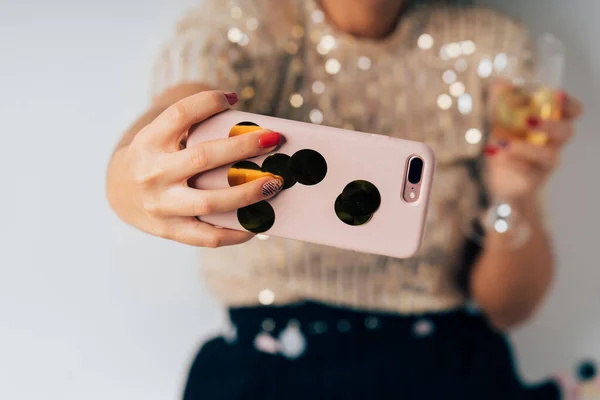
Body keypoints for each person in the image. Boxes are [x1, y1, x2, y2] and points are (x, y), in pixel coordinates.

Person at [106, 0, 584, 398]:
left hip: (445, 365)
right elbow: (173, 116)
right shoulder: (243, 24)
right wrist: (130, 177)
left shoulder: (492, 45)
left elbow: (507, 309)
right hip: (263, 372)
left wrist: (514, 197)